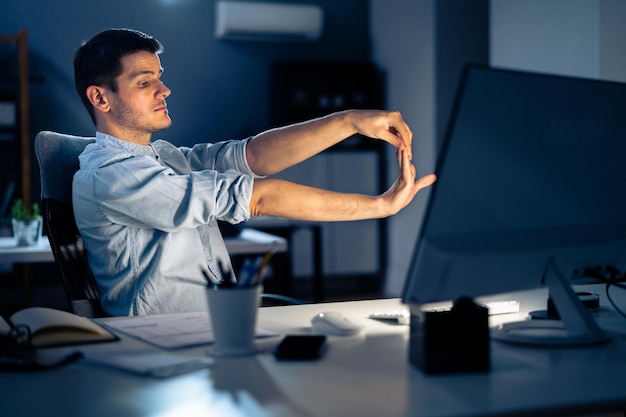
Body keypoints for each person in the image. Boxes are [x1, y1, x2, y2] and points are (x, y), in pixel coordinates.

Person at [71, 28, 436, 316]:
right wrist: (380, 206)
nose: (164, 89)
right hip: (162, 339)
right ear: (101, 98)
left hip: (211, 325)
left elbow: (253, 156)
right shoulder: (109, 174)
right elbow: (257, 195)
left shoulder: (162, 157)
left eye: (159, 78)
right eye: (144, 82)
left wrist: (351, 121)